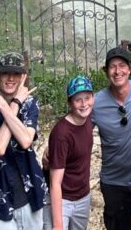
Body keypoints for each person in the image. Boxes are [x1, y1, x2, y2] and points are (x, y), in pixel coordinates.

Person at [0, 52, 47, 229]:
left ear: (23, 78)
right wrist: (13, 105)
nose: (11, 78)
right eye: (5, 73)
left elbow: (26, 140)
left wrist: (7, 105)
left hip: (30, 194)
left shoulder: (29, 104)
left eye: (16, 74)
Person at [93, 47, 131, 230]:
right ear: (106, 71)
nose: (117, 71)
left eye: (122, 66)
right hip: (114, 183)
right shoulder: (96, 103)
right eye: (112, 67)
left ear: (129, 69)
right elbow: (76, 128)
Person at [45, 76, 95, 230]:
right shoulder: (62, 134)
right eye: (78, 100)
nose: (84, 104)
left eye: (87, 98)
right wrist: (58, 224)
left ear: (93, 98)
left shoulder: (88, 119)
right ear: (69, 103)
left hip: (83, 196)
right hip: (62, 200)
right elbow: (55, 183)